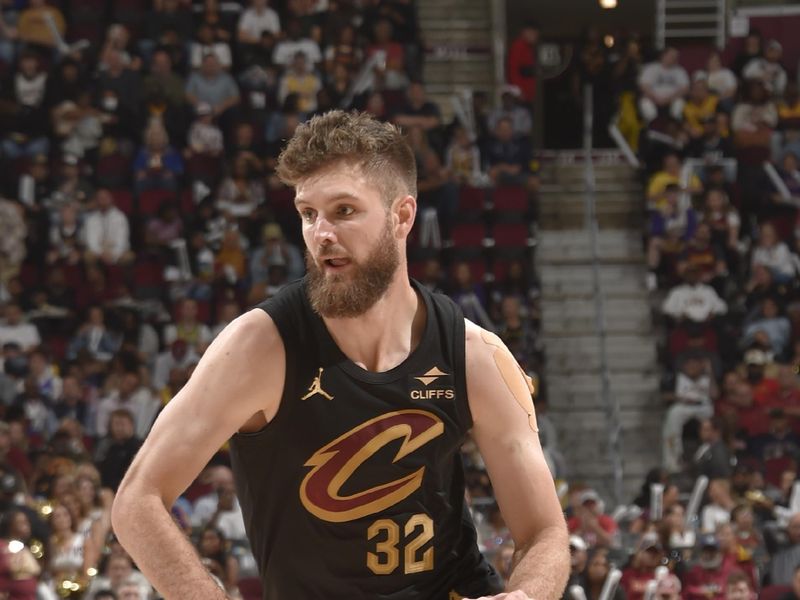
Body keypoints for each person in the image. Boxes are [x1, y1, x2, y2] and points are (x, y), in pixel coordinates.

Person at [112, 111, 569, 599]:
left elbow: (545, 533)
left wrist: (525, 596)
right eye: (308, 214)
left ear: (402, 216)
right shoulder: (259, 347)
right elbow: (137, 502)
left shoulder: (474, 355)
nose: (321, 233)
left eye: (344, 211)